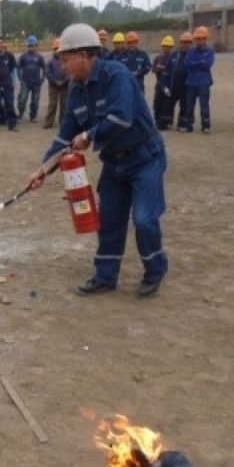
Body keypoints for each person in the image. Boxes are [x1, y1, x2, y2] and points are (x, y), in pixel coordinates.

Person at [27, 23, 168, 298]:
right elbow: (64, 136)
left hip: (145, 157)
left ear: (83, 54)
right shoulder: (77, 90)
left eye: (65, 60)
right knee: (109, 219)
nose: (63, 67)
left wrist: (89, 135)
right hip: (114, 162)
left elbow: (121, 118)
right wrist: (43, 169)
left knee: (143, 218)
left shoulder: (117, 76)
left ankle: (155, 270)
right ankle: (105, 276)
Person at [181, 26, 214, 134]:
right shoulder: (191, 51)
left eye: (202, 39)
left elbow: (208, 64)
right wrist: (200, 62)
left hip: (204, 83)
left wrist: (195, 63)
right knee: (189, 105)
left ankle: (206, 126)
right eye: (198, 39)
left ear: (206, 39)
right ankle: (188, 126)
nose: (200, 41)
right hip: (191, 82)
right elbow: (187, 64)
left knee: (204, 105)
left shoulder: (210, 51)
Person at [166, 32, 192, 130]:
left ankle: (181, 124)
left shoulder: (192, 54)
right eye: (183, 42)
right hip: (174, 84)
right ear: (180, 43)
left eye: (188, 42)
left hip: (186, 85)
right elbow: (168, 69)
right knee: (170, 103)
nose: (185, 44)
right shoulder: (174, 54)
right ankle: (168, 122)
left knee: (184, 104)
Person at [17, 35, 45, 122]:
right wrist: (20, 78)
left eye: (33, 45)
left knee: (35, 101)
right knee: (22, 99)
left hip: (36, 82)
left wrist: (43, 78)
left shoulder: (40, 57)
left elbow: (44, 68)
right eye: (30, 46)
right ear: (28, 46)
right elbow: (18, 68)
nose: (31, 47)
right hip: (25, 82)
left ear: (36, 46)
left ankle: (33, 116)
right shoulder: (23, 56)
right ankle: (20, 114)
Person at [43, 38, 68, 129]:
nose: (57, 51)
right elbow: (48, 73)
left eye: (58, 48)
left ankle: (63, 122)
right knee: (52, 104)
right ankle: (49, 122)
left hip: (65, 85)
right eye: (55, 49)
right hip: (53, 85)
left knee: (64, 104)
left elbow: (69, 72)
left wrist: (64, 81)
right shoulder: (50, 62)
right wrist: (55, 81)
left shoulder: (66, 61)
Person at [151, 36, 174, 130]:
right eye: (165, 46)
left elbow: (175, 70)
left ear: (171, 47)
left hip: (170, 84)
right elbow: (153, 69)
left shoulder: (174, 58)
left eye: (168, 46)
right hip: (160, 84)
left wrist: (164, 68)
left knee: (168, 104)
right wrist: (158, 69)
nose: (166, 48)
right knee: (157, 103)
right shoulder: (158, 58)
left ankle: (167, 122)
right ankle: (157, 121)